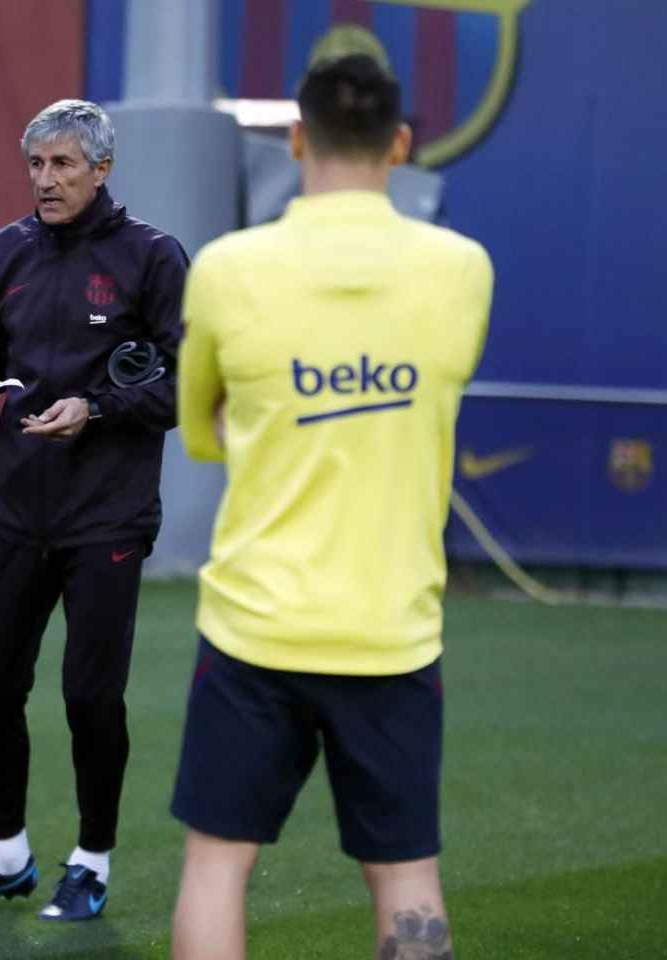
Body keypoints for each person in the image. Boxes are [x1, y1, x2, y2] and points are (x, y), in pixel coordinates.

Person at [167, 54, 492, 960]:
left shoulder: (229, 268)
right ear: (398, 145)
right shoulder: (461, 269)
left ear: (297, 137)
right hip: (390, 628)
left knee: (216, 866)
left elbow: (200, 427)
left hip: (255, 624)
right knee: (406, 875)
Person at [0, 99, 188, 921]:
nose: (46, 180)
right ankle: (5, 854)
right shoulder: (4, 252)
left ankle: (91, 862)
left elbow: (182, 382)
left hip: (106, 514)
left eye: (64, 164)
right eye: (36, 164)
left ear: (102, 170)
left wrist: (96, 410)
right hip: (13, 509)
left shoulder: (153, 257)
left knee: (89, 698)